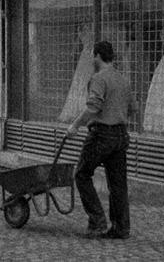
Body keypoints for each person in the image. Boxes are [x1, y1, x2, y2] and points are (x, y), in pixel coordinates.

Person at [66, 40, 136, 240]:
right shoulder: (123, 79)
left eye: (93, 56)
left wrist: (75, 125)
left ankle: (97, 222)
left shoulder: (98, 78)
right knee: (118, 184)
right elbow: (133, 109)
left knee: (81, 174)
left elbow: (93, 107)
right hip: (121, 136)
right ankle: (121, 228)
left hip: (101, 135)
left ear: (97, 56)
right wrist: (116, 115)